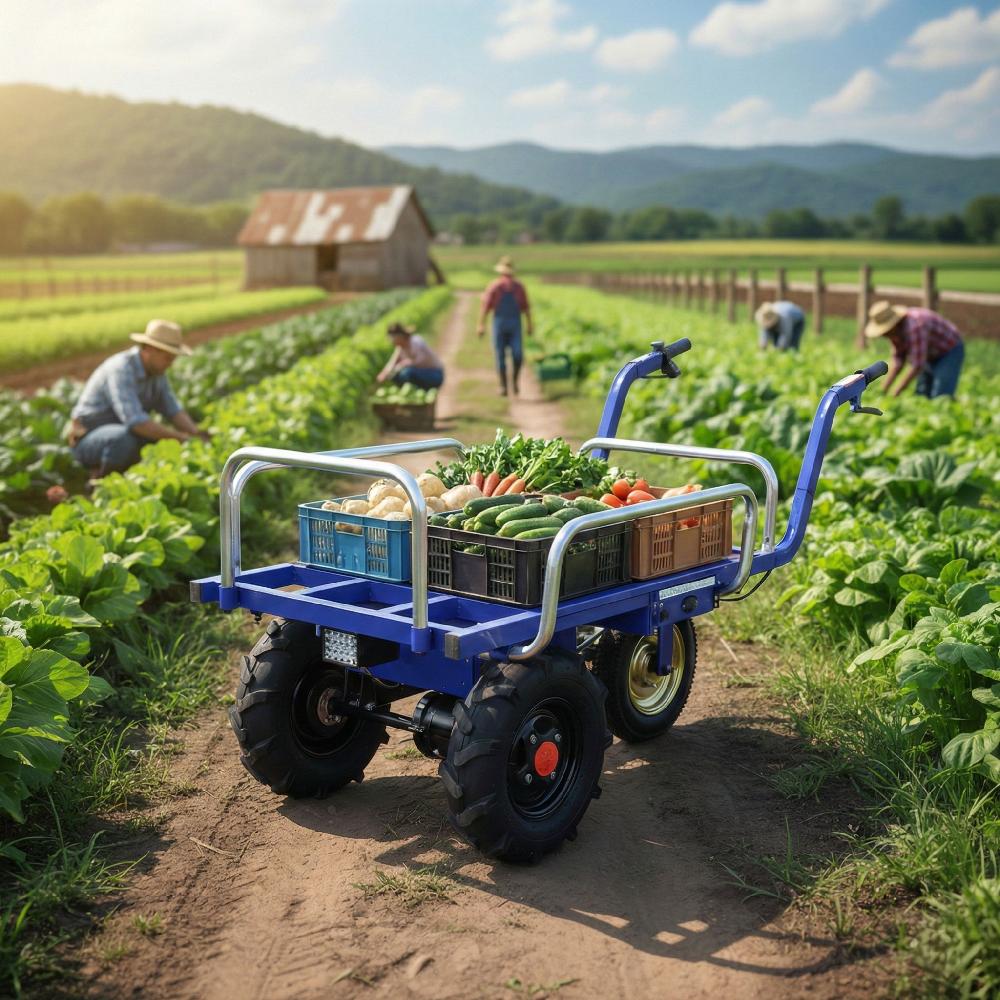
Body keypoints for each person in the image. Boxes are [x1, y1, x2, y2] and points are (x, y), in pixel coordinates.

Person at [67, 319, 210, 477]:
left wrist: (196, 434)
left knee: (155, 441)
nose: (170, 364)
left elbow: (173, 411)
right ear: (149, 349)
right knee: (123, 439)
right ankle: (100, 481)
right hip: (90, 438)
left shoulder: (157, 374)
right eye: (168, 358)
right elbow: (136, 422)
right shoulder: (121, 369)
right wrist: (181, 438)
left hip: (125, 433)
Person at [864, 300, 965, 399]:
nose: (884, 336)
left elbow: (917, 365)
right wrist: (883, 391)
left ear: (893, 325)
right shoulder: (896, 332)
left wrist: (895, 393)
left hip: (949, 349)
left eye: (885, 332)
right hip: (929, 353)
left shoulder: (915, 326)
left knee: (941, 395)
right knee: (922, 394)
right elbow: (898, 361)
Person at [477, 255, 533, 396]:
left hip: (515, 324)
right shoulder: (494, 287)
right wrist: (481, 325)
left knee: (518, 354)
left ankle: (515, 382)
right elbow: (485, 307)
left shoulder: (519, 288)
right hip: (499, 324)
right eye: (505, 274)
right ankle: (503, 386)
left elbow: (526, 308)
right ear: (501, 274)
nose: (507, 277)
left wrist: (529, 324)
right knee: (500, 355)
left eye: (509, 275)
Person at [376, 322, 444, 390]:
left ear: (400, 336)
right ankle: (414, 391)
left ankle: (422, 390)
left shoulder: (415, 342)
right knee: (394, 376)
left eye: (393, 338)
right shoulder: (401, 347)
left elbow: (421, 360)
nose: (392, 341)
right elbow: (392, 362)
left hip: (435, 374)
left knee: (407, 373)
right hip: (422, 374)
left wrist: (403, 364)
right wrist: (384, 373)